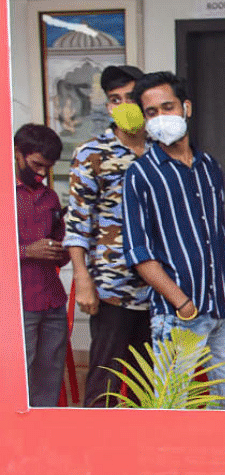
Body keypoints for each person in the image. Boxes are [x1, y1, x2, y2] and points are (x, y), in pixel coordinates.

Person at [121, 72, 225, 409]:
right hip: (180, 314)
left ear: (186, 107)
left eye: (168, 107)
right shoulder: (141, 174)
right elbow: (138, 251)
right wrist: (183, 303)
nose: (161, 118)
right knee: (171, 405)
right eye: (151, 112)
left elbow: (216, 231)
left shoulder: (209, 167)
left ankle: (216, 461)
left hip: (221, 307)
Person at [64, 64, 151, 407]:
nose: (123, 105)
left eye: (130, 97)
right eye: (115, 99)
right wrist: (82, 278)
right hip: (113, 285)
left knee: (152, 380)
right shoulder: (91, 154)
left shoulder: (165, 149)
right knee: (106, 378)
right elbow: (78, 222)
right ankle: (97, 451)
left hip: (161, 287)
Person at [14, 123, 68, 407]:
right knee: (19, 382)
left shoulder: (51, 197)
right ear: (17, 153)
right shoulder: (5, 195)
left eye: (48, 167)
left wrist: (67, 248)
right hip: (18, 305)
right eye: (36, 164)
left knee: (50, 380)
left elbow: (60, 244)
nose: (42, 173)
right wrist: (25, 251)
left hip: (52, 300)